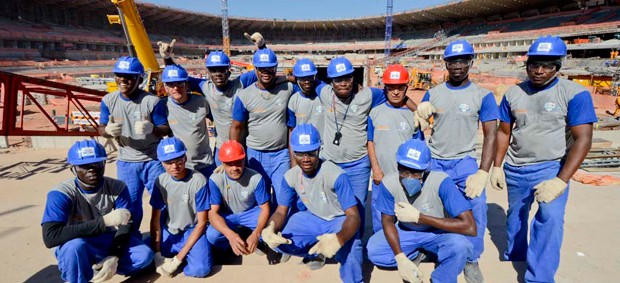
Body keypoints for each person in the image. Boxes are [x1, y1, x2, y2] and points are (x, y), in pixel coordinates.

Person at [491, 35, 596, 283]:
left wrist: (561, 180)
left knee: (548, 218)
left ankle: (538, 278)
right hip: (516, 167)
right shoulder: (513, 93)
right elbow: (504, 132)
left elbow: (583, 139)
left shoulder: (574, 94)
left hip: (551, 167)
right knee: (516, 217)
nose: (539, 71)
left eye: (547, 65)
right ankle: (516, 253)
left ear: (558, 66)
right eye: (534, 65)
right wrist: (497, 166)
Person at [416, 39, 499, 282]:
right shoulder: (434, 93)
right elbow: (421, 123)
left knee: (477, 206)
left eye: (463, 61)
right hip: (436, 160)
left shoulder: (482, 96)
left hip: (464, 161)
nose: (458, 66)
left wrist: (484, 171)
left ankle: (471, 258)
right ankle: (429, 248)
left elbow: (491, 134)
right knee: (428, 206)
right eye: (453, 61)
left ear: (471, 62)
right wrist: (420, 112)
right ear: (446, 64)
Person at [261, 124, 363, 283]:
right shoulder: (290, 177)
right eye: (300, 153)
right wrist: (270, 228)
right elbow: (281, 211)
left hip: (339, 219)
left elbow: (354, 216)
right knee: (279, 240)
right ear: (293, 152)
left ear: (319, 150)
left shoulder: (335, 174)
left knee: (350, 247)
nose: (306, 159)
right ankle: (315, 252)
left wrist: (338, 239)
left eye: (311, 153)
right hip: (314, 217)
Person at [41, 140, 153, 283]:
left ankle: (103, 266)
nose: (91, 169)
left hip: (105, 238)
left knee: (144, 255)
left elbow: (126, 225)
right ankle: (77, 276)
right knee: (74, 247)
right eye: (84, 166)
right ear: (73, 169)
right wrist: (104, 222)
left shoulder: (117, 187)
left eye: (97, 164)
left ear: (104, 164)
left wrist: (114, 256)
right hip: (77, 241)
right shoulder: (60, 194)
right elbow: (51, 237)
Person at [367, 139, 476, 283]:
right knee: (373, 251)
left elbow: (470, 227)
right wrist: (400, 258)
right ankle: (418, 254)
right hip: (406, 231)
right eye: (404, 170)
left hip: (437, 232)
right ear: (397, 166)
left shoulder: (441, 182)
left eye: (416, 172)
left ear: (426, 170)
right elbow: (387, 221)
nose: (409, 177)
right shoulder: (389, 184)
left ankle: (440, 278)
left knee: (462, 247)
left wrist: (420, 218)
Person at [159, 36, 266, 165]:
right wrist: (166, 58)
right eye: (214, 70)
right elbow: (177, 77)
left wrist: (261, 47)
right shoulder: (206, 88)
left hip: (245, 146)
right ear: (208, 72)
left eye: (222, 70)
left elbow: (265, 68)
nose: (218, 74)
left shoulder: (241, 83)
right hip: (223, 148)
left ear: (229, 71)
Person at [99, 56, 170, 232]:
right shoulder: (108, 101)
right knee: (129, 206)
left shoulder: (151, 101)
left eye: (129, 76)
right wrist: (107, 131)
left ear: (139, 79)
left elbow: (165, 128)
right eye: (119, 75)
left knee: (162, 202)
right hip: (127, 162)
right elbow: (100, 128)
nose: (123, 80)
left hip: (152, 160)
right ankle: (131, 241)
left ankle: (164, 238)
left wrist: (152, 128)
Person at [230, 48, 296, 207]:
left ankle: (280, 231)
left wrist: (287, 77)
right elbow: (236, 127)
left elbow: (308, 83)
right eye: (262, 68)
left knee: (283, 200)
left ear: (276, 68)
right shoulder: (244, 95)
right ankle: (261, 231)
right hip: (255, 155)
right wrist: (234, 155)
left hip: (281, 155)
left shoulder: (287, 89)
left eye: (270, 68)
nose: (266, 72)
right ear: (255, 69)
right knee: (260, 201)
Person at [368, 63, 423, 233]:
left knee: (406, 218)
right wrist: (376, 169)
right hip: (382, 177)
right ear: (385, 88)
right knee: (380, 218)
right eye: (391, 88)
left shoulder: (413, 116)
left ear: (406, 88)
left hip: (406, 178)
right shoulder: (374, 113)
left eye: (400, 87)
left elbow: (419, 147)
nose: (396, 92)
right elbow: (370, 142)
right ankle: (382, 252)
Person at [149, 137, 212, 278]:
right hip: (170, 230)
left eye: (178, 160)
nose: (174, 166)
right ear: (161, 162)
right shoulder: (161, 181)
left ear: (185, 157)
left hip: (192, 230)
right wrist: (157, 254)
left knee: (200, 270)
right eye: (168, 162)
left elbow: (202, 223)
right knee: (147, 257)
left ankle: (187, 256)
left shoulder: (198, 181)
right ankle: (177, 254)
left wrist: (178, 259)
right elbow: (155, 219)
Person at [206, 140, 271, 257]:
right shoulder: (216, 179)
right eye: (229, 164)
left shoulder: (256, 178)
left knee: (268, 229)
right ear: (222, 163)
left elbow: (265, 209)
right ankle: (227, 247)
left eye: (238, 162)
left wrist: (256, 234)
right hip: (227, 214)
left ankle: (256, 240)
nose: (235, 168)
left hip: (249, 213)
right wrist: (230, 235)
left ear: (244, 159)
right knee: (212, 235)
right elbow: (212, 213)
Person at [161, 64, 216, 178]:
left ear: (187, 85)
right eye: (171, 84)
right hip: (180, 166)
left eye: (180, 83)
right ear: (166, 87)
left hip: (205, 163)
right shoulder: (162, 106)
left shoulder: (202, 102)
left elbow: (218, 120)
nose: (176, 88)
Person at [287, 58, 325, 167]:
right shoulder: (293, 101)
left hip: (323, 150)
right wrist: (293, 162)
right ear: (297, 80)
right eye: (303, 78)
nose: (307, 81)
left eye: (310, 77)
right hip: (302, 151)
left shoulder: (323, 96)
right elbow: (291, 131)